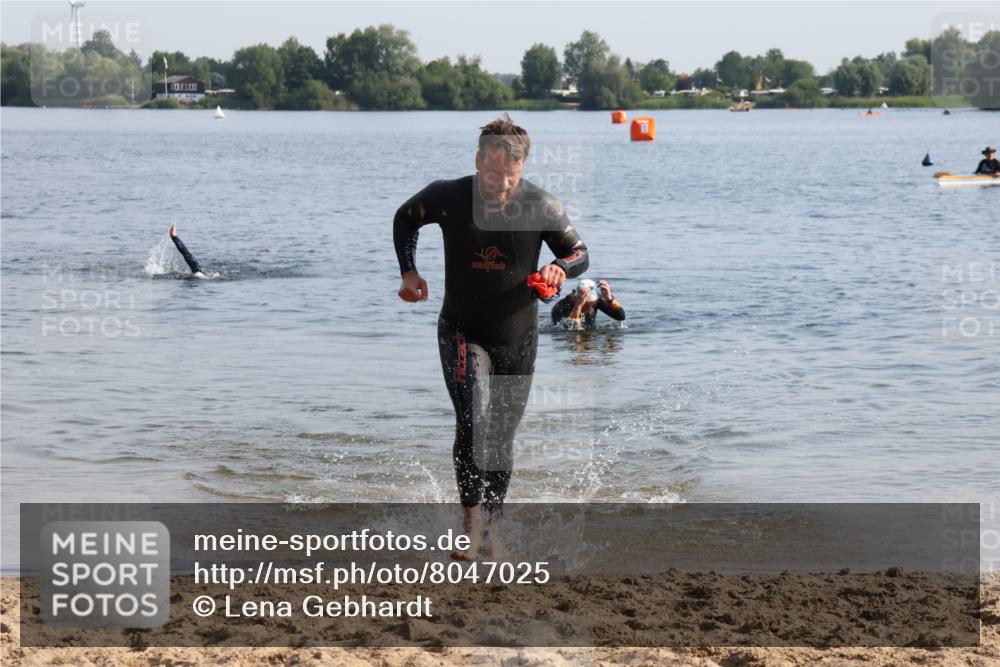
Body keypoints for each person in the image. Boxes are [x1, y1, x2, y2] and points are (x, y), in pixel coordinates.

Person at [393, 114, 589, 560]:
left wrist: (561, 267)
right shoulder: (448, 196)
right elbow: (405, 219)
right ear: (478, 161)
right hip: (461, 329)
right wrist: (409, 271)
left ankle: (492, 533)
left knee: (500, 436)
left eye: (510, 174)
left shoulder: (543, 205)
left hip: (517, 338)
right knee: (472, 421)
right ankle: (471, 528)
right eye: (492, 172)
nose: (500, 183)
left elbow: (580, 252)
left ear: (522, 170)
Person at [551, 278, 626, 329]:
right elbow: (571, 330)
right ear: (576, 297)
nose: (589, 306)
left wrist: (609, 299)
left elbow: (620, 317)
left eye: (592, 303)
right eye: (585, 304)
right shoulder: (560, 307)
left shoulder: (596, 301)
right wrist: (578, 306)